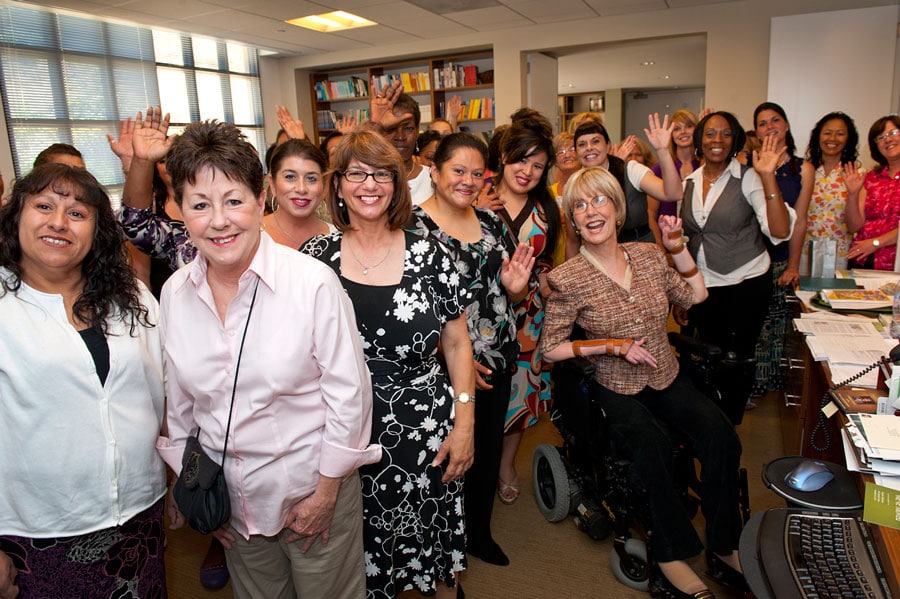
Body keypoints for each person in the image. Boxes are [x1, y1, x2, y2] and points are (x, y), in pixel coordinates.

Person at [156, 120, 379, 599]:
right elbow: (180, 405)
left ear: (261, 199)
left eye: (234, 201)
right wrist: (193, 491)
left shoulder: (312, 282)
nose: (219, 221)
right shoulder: (174, 293)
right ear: (179, 210)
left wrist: (324, 493)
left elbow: (350, 395)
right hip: (232, 502)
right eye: (200, 205)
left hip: (312, 491)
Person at [541, 165, 745, 599]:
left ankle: (724, 545)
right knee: (650, 445)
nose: (591, 211)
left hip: (664, 374)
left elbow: (696, 296)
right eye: (580, 205)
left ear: (617, 210)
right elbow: (551, 348)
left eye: (600, 200)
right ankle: (669, 554)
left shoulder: (651, 256)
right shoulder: (567, 278)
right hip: (614, 385)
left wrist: (678, 247)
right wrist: (610, 345)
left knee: (720, 435)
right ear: (573, 221)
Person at [301, 130, 476, 599]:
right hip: (344, 430)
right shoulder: (314, 261)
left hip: (423, 425)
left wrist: (465, 425)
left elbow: (458, 345)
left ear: (398, 185)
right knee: (360, 542)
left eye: (382, 174)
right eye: (356, 173)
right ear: (337, 186)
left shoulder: (430, 254)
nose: (369, 184)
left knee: (428, 536)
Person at [0, 163, 167, 597]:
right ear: (16, 216)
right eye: (44, 206)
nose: (59, 222)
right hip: (37, 530)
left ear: (97, 229)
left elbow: (162, 392)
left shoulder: (130, 298)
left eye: (77, 213)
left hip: (138, 516)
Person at [408, 132, 535, 567]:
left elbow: (507, 290)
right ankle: (446, 543)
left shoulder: (492, 221)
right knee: (447, 456)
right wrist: (453, 358)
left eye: (476, 173)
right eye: (457, 170)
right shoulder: (411, 227)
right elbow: (409, 307)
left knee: (485, 449)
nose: (467, 180)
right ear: (435, 171)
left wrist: (516, 291)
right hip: (445, 364)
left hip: (499, 355)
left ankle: (479, 532)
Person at [680, 111, 795, 424]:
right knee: (709, 356)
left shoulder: (749, 177)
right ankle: (712, 422)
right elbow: (688, 237)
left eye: (726, 133)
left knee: (738, 358)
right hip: (704, 285)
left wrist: (768, 175)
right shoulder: (688, 181)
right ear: (700, 141)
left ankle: (730, 424)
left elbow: (780, 230)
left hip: (746, 281)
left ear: (735, 141)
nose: (717, 140)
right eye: (710, 133)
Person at [473, 119, 559, 505]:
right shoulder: (477, 196)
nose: (527, 171)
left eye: (537, 165)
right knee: (481, 393)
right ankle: (478, 468)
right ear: (503, 158)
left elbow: (552, 259)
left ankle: (506, 466)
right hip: (483, 318)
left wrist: (546, 278)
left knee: (521, 395)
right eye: (520, 160)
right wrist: (472, 209)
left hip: (529, 317)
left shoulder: (547, 208)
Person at [750, 102, 812, 398]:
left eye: (775, 120)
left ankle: (765, 385)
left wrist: (793, 265)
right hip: (749, 259)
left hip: (778, 259)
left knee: (774, 327)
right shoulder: (748, 162)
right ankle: (747, 384)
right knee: (751, 324)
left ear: (786, 125)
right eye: (762, 123)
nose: (769, 126)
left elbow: (799, 222)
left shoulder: (803, 168)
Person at [567, 115, 682, 255]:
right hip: (598, 257)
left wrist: (663, 151)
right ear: (577, 151)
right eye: (582, 144)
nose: (589, 148)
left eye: (595, 141)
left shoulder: (630, 170)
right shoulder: (574, 185)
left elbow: (673, 194)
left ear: (608, 145)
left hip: (641, 252)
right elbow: (573, 240)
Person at [780, 112, 861, 283]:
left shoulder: (856, 173)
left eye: (840, 133)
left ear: (848, 139)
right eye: (827, 132)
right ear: (818, 136)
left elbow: (855, 226)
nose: (832, 138)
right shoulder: (804, 170)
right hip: (802, 252)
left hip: (840, 254)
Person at [846, 115, 900, 270]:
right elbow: (853, 226)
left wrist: (876, 243)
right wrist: (852, 194)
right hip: (864, 259)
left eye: (893, 133)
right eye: (881, 137)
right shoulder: (870, 178)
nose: (888, 140)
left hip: (896, 262)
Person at [366, 82, 433, 204]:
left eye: (408, 128)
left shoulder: (433, 178)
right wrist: (375, 126)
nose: (400, 136)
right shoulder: (369, 179)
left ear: (417, 131)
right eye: (391, 129)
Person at [263, 139, 334, 248]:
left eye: (311, 178)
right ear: (272, 184)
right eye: (290, 177)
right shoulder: (253, 234)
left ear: (324, 186)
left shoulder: (337, 239)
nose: (301, 189)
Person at [648, 109, 701, 226]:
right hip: (666, 238)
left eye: (688, 126)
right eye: (676, 129)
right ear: (671, 134)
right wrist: (659, 244)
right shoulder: (659, 169)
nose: (683, 132)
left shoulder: (704, 166)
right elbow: (651, 215)